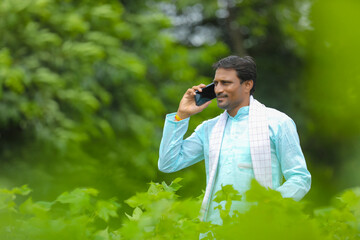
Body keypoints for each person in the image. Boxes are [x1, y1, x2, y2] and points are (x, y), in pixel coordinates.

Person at [158, 55, 311, 225]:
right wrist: (182, 115)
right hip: (213, 231)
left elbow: (299, 178)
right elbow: (168, 163)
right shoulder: (209, 129)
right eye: (215, 83)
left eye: (226, 83)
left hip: (260, 228)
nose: (217, 90)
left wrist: (271, 205)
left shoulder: (278, 123)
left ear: (247, 84)